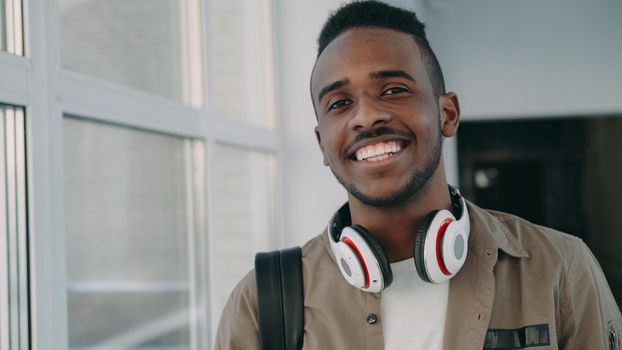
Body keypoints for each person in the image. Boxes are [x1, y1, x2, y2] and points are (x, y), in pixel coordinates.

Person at [214, 1, 622, 349]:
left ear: (447, 114)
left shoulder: (563, 268)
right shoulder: (260, 303)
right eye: (339, 102)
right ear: (323, 145)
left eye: (393, 90)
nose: (367, 116)